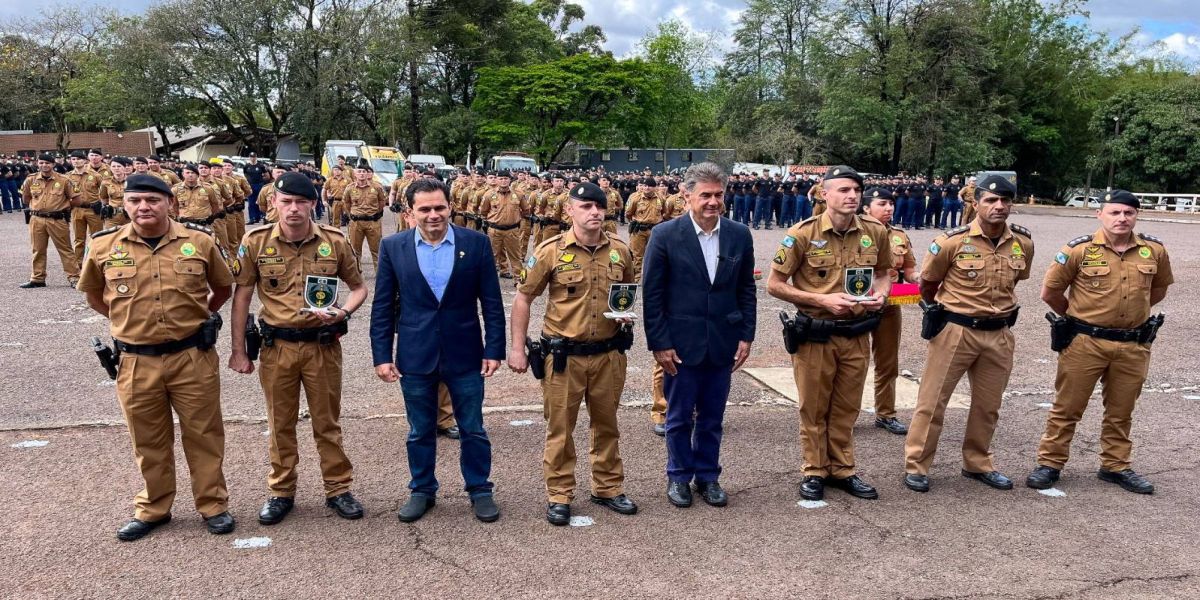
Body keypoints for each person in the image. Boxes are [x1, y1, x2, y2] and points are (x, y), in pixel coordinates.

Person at [77, 174, 235, 541]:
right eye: (135, 201)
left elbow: (223, 288)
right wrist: (129, 324)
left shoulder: (199, 241)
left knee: (205, 434)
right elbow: (95, 296)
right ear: (125, 204)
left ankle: (213, 505)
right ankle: (154, 507)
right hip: (135, 360)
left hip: (191, 355)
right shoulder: (103, 246)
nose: (143, 207)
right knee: (147, 439)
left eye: (152, 199)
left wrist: (197, 317)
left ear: (170, 203)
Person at [227, 173, 368, 525]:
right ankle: (281, 491)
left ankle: (338, 488)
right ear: (273, 202)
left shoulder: (334, 241)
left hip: (322, 347)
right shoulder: (256, 240)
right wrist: (238, 350)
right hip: (277, 348)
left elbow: (358, 287)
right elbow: (242, 296)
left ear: (313, 204)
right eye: (286, 201)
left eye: (300, 202)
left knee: (327, 422)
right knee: (280, 423)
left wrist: (343, 311)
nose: (293, 209)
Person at [370, 177, 504, 524]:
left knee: (473, 427)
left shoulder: (476, 244)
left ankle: (479, 489)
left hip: (465, 352)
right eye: (425, 209)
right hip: (416, 353)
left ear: (450, 207)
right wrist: (382, 356)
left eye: (439, 207)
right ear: (410, 213)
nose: (434, 215)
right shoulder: (394, 247)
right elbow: (383, 307)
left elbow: (491, 302)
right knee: (419, 429)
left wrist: (494, 349)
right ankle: (422, 490)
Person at [509, 181, 639, 526]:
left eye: (599, 206)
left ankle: (608, 487)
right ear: (570, 211)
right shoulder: (550, 251)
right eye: (585, 207)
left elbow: (626, 292)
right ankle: (560, 494)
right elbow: (523, 298)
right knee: (560, 428)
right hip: (563, 355)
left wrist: (625, 313)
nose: (594, 212)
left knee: (607, 424)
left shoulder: (620, 252)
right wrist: (516, 347)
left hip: (608, 354)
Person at [1026, 190, 1173, 494]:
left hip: (1133, 345)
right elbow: (1050, 293)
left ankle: (1115, 465)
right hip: (1085, 343)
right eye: (1115, 213)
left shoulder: (1153, 250)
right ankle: (1050, 463)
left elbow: (1157, 291)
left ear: (1136, 215)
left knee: (1121, 410)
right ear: (1100, 215)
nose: (1122, 218)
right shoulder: (1078, 249)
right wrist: (1079, 317)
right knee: (1067, 407)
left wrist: (1134, 316)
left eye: (1128, 213)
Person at [766, 165, 893, 501]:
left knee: (847, 406)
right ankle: (814, 470)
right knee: (814, 407)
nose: (851, 196)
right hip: (816, 335)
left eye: (855, 190)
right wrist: (820, 299)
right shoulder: (802, 234)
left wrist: (882, 293)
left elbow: (883, 272)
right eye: (843, 190)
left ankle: (842, 469)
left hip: (856, 334)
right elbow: (774, 285)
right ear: (824, 194)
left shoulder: (874, 232)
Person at [903, 175, 1034, 493]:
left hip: (999, 333)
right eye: (990, 200)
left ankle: (977, 463)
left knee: (988, 405)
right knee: (932, 402)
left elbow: (1016, 281)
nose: (999, 206)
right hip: (956, 330)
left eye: (1005, 200)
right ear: (975, 203)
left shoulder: (1023, 243)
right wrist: (947, 313)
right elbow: (928, 286)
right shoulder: (950, 242)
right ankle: (917, 465)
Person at [642, 163, 756, 508]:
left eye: (718, 194)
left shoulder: (738, 234)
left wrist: (746, 335)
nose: (712, 202)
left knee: (712, 417)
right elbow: (653, 294)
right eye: (705, 195)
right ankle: (678, 476)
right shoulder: (665, 235)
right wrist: (660, 343)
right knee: (677, 417)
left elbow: (745, 289)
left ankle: (708, 476)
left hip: (722, 340)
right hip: (680, 344)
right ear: (686, 194)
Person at [861, 188, 916, 435]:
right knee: (853, 363)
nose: (889, 208)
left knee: (888, 362)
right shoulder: (853, 233)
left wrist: (922, 279)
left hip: (890, 306)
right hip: (856, 307)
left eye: (891, 204)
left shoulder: (899, 236)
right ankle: (844, 414)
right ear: (866, 208)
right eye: (882, 203)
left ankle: (885, 413)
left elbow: (909, 271)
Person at [19, 154, 82, 288]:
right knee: (37, 249)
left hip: (57, 219)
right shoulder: (31, 179)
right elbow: (25, 198)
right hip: (36, 219)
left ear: (53, 164)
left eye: (47, 163)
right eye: (41, 163)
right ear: (37, 163)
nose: (44, 165)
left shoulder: (64, 180)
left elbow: (77, 200)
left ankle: (74, 278)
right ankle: (38, 278)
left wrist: (62, 208)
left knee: (65, 249)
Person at [343, 160, 388, 267]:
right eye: (359, 171)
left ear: (367, 174)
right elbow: (346, 203)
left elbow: (382, 201)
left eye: (364, 171)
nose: (362, 174)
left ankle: (379, 276)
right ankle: (357, 275)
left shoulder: (376, 187)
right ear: (355, 174)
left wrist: (376, 213)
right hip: (356, 223)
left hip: (372, 222)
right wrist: (352, 215)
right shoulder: (350, 188)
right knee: (355, 251)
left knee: (376, 251)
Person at [243, 153, 268, 224]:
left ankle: (259, 216)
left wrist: (261, 181)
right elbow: (245, 175)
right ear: (249, 157)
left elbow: (266, 175)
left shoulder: (260, 165)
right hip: (250, 185)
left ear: (256, 157)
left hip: (259, 185)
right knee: (251, 202)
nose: (252, 158)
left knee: (259, 201)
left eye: (254, 157)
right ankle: (252, 218)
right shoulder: (246, 166)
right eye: (251, 157)